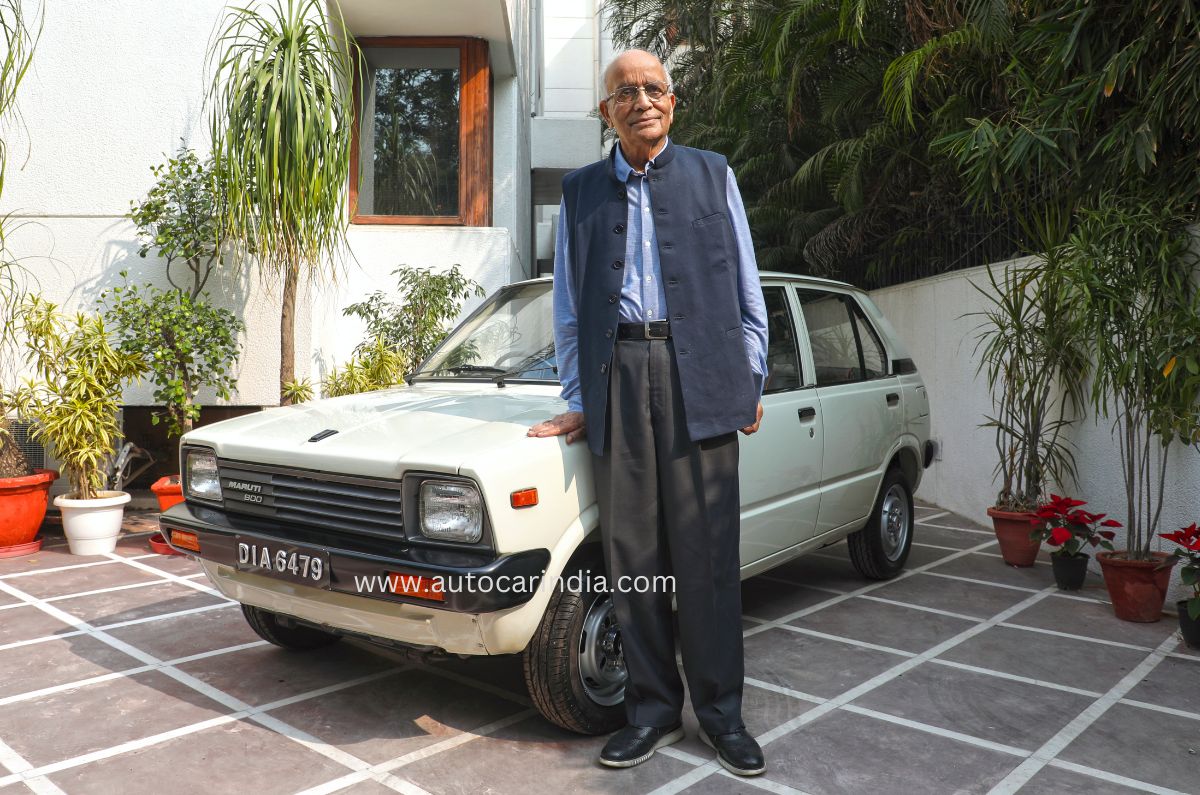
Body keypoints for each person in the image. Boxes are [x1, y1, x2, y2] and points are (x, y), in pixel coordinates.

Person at [527, 48, 769, 777]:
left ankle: (722, 715)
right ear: (606, 111)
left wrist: (747, 377)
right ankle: (652, 710)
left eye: (653, 88)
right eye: (624, 92)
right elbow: (568, 309)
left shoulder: (712, 174)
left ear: (673, 100)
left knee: (707, 560)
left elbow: (746, 286)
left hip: (702, 377)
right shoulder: (580, 193)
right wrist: (578, 399)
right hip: (620, 377)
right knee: (634, 558)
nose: (641, 100)